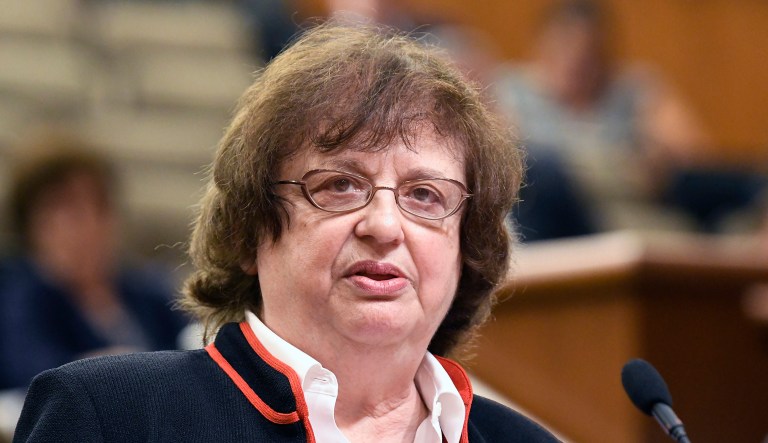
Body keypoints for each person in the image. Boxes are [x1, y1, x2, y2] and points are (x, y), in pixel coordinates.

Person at [13, 23, 560, 442]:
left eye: (425, 196)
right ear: (251, 229)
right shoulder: (112, 418)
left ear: (467, 249)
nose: (385, 226)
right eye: (340, 185)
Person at [493, 0, 710, 234]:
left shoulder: (635, 91)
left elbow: (696, 160)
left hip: (622, 217)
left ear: (605, 53)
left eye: (587, 53)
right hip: (550, 219)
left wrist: (658, 155)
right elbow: (501, 171)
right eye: (564, 47)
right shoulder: (512, 91)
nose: (574, 61)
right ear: (541, 47)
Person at [0, 137, 188, 391]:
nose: (89, 225)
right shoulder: (19, 297)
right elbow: (33, 373)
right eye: (68, 210)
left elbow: (193, 353)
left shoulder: (148, 291)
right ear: (31, 223)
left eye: (99, 207)